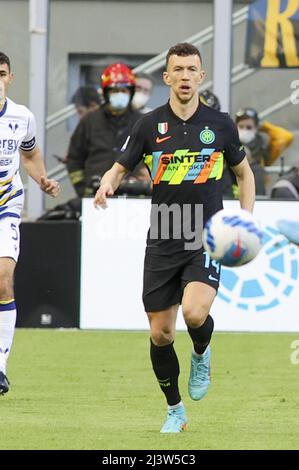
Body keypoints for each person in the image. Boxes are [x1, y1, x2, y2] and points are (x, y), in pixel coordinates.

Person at [94, 42, 255, 433]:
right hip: (163, 236)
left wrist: (244, 221)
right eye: (177, 70)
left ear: (201, 76)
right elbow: (118, 168)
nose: (184, 76)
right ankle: (175, 409)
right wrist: (106, 185)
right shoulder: (148, 125)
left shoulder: (220, 124)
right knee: (161, 333)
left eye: (191, 70)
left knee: (194, 313)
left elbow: (245, 175)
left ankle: (202, 352)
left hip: (207, 237)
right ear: (167, 77)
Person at [0, 52, 60, 394]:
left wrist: (42, 179)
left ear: (11, 77)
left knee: (4, 279)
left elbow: (30, 153)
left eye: (1, 73)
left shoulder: (22, 117)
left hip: (6, 204)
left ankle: (0, 367)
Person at [66, 63, 143, 197]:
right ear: (106, 93)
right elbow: (74, 159)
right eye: (115, 91)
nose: (120, 94)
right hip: (94, 196)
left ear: (131, 93)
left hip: (135, 197)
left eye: (124, 91)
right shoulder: (90, 121)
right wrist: (83, 190)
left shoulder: (142, 122)